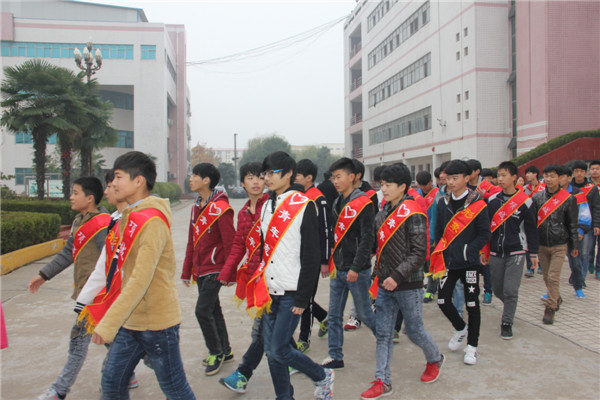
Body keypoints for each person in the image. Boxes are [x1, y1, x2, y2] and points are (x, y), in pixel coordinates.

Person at [91, 151, 195, 400]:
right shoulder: (129, 216)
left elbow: (140, 279)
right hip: (131, 321)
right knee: (112, 383)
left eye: (118, 177)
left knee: (175, 389)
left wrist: (108, 323)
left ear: (138, 181)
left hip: (157, 325)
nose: (114, 183)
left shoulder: (151, 221)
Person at [247, 151, 334, 400]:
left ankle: (321, 375)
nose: (266, 178)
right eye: (265, 173)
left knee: (278, 349)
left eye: (272, 173)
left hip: (291, 291)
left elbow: (311, 255)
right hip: (270, 290)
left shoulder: (304, 205)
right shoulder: (266, 205)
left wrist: (303, 298)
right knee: (272, 352)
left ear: (288, 174)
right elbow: (264, 249)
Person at [360, 164, 444, 400]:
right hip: (385, 284)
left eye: (388, 185)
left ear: (402, 187)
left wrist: (397, 276)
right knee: (384, 334)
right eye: (382, 184)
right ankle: (382, 380)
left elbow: (420, 252)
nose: (383, 189)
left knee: (414, 331)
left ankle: (435, 359)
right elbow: (378, 248)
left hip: (408, 284)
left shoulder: (413, 212)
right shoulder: (382, 213)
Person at [31, 177, 110, 400]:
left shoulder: (103, 224)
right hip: (86, 292)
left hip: (98, 296)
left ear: (90, 198)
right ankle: (125, 375)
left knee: (78, 342)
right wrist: (43, 275)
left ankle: (60, 390)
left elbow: (110, 261)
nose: (71, 197)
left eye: (75, 193)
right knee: (116, 340)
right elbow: (68, 253)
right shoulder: (78, 221)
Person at [74, 171, 140, 391]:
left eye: (113, 184)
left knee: (157, 358)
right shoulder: (113, 221)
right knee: (115, 369)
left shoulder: (142, 221)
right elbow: (105, 265)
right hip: (112, 298)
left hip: (135, 305)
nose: (107, 190)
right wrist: (84, 300)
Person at [431, 160, 490, 365]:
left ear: (467, 178)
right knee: (442, 300)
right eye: (448, 178)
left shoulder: (478, 204)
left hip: (469, 263)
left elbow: (484, 233)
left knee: (472, 304)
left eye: (455, 178)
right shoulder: (442, 203)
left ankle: (472, 347)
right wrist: (439, 252)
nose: (450, 182)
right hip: (449, 262)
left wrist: (468, 250)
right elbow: (439, 231)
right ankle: (460, 328)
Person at [218, 162, 269, 394]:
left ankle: (242, 374)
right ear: (242, 183)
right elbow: (239, 245)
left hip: (273, 280)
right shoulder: (243, 213)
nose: (256, 181)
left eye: (260, 177)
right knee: (272, 332)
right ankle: (300, 364)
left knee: (261, 332)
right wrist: (227, 272)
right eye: (250, 177)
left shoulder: (273, 207)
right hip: (255, 279)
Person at [181, 163, 235, 376]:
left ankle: (216, 352)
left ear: (206, 180)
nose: (191, 178)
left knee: (202, 311)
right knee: (213, 309)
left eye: (195, 175)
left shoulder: (220, 207)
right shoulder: (196, 206)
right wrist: (187, 270)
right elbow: (191, 241)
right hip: (201, 268)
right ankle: (226, 350)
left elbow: (230, 242)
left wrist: (229, 272)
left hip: (216, 268)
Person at [324, 157, 376, 370]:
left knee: (364, 313)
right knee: (334, 315)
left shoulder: (364, 203)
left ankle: (384, 337)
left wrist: (356, 266)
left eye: (339, 177)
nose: (335, 181)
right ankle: (335, 356)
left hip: (357, 270)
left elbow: (367, 239)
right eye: (333, 177)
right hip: (339, 268)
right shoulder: (337, 201)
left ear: (353, 177)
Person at [481, 161, 539, 340]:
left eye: (504, 175)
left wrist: (533, 252)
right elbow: (486, 227)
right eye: (498, 175)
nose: (500, 179)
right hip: (495, 252)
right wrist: (484, 250)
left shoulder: (525, 201)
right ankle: (510, 306)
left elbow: (531, 229)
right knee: (498, 288)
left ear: (514, 177)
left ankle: (507, 323)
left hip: (516, 251)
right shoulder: (492, 200)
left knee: (511, 289)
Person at [531, 164, 578, 325]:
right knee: (546, 276)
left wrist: (574, 246)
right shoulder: (537, 198)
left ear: (560, 178)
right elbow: (532, 222)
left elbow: (572, 224)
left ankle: (550, 307)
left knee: (553, 277)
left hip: (559, 244)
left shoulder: (568, 199)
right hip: (542, 244)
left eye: (552, 176)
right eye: (546, 176)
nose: (549, 179)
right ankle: (556, 297)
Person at [293, 159, 331, 353]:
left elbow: (325, 231)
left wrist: (324, 260)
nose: (294, 178)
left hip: (313, 257)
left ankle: (304, 339)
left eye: (298, 175)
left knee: (306, 298)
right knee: (299, 294)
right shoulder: (297, 197)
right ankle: (324, 317)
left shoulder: (318, 200)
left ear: (309, 178)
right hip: (297, 256)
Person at [466, 159, 497, 305]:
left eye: (469, 171)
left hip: (484, 230)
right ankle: (472, 292)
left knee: (485, 265)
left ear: (477, 171)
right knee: (471, 265)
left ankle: (488, 291)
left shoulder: (488, 187)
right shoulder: (464, 187)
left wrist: (486, 195)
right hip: (468, 230)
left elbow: (499, 201)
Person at [559, 165, 591, 298]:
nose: (558, 179)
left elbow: (585, 214)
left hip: (573, 233)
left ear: (568, 178)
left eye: (561, 176)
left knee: (575, 263)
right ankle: (551, 291)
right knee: (553, 266)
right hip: (556, 234)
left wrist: (580, 231)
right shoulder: (550, 194)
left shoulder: (578, 193)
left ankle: (578, 287)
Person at [570, 160, 600, 284]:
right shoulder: (568, 187)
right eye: (576, 171)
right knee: (572, 252)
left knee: (584, 252)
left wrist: (597, 224)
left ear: (585, 172)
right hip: (571, 225)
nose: (579, 174)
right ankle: (575, 274)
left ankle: (581, 278)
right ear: (573, 173)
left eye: (582, 171)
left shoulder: (592, 188)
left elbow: (596, 207)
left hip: (588, 226)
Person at [417, 170, 442, 303]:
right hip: (420, 234)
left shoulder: (438, 194)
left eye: (425, 185)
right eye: (420, 185)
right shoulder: (417, 195)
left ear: (431, 182)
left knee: (431, 262)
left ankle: (431, 290)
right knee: (422, 263)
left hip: (432, 234)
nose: (423, 188)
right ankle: (428, 284)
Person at [588, 160, 600, 279]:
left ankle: (599, 269)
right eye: (593, 169)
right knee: (590, 246)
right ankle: (590, 261)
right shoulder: (587, 186)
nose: (595, 171)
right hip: (590, 220)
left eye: (597, 169)